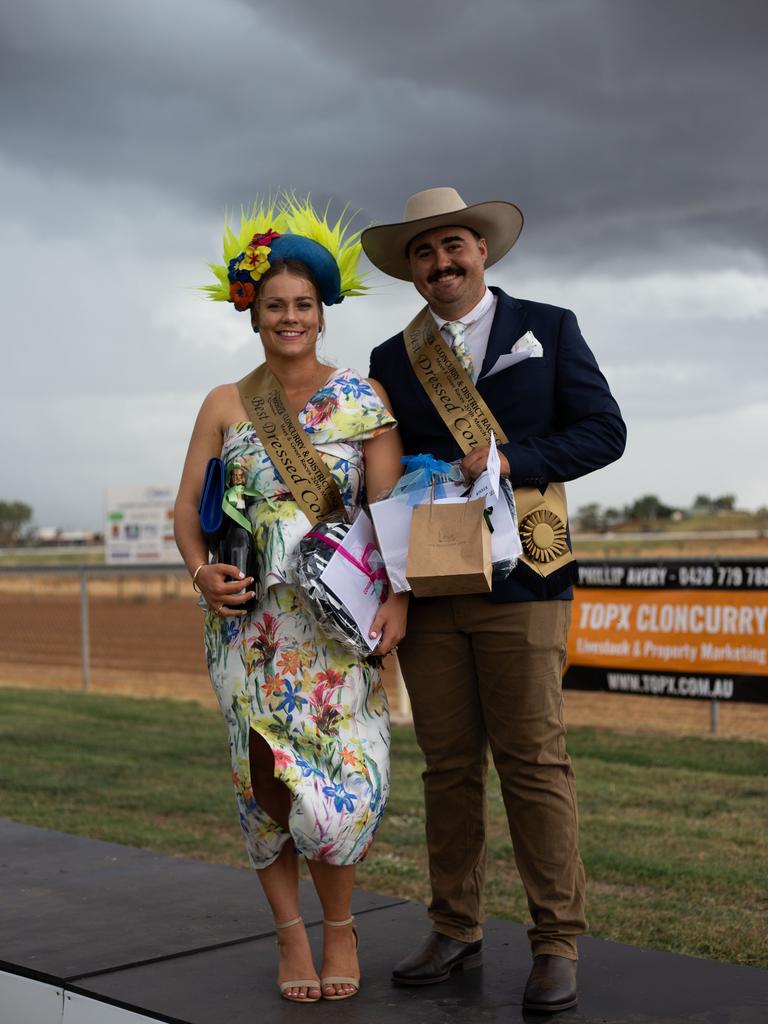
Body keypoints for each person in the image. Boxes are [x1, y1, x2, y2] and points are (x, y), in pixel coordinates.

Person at [362, 187, 626, 1013]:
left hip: (526, 579)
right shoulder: (390, 357)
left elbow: (605, 431)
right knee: (448, 767)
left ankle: (554, 940)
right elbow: (382, 464)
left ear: (483, 250)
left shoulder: (548, 328)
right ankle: (456, 925)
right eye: (425, 253)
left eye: (454, 246)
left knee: (534, 762)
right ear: (412, 271)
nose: (442, 263)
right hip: (432, 587)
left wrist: (511, 461)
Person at [175, 195, 407, 1003]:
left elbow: (390, 518)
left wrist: (400, 605)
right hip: (249, 631)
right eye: (275, 305)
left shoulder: (365, 399)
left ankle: (340, 924)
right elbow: (184, 512)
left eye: (303, 304)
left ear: (321, 311)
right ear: (254, 313)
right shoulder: (225, 404)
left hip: (337, 632)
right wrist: (202, 573)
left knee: (343, 789)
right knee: (265, 784)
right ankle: (291, 937)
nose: (289, 316)